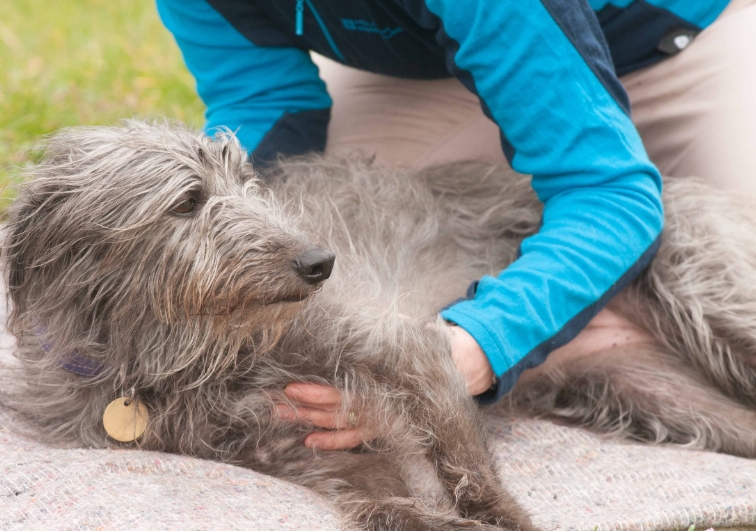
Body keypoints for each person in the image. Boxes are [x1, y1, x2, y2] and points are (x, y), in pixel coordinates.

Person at [157, 0, 755, 450]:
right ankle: (569, 324)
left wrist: (461, 355)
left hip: (677, 47)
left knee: (727, 274)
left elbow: (609, 192)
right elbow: (268, 107)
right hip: (435, 67)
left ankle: (561, 314)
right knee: (363, 241)